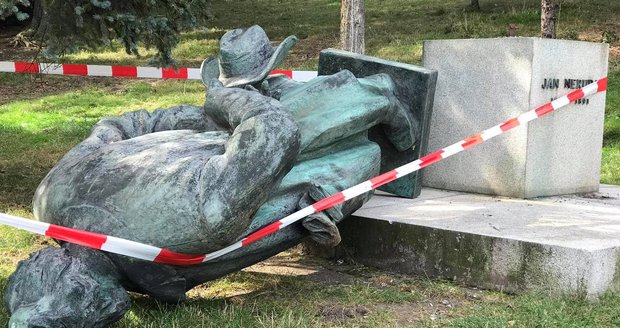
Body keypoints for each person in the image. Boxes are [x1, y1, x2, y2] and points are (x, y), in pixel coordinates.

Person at [6, 25, 418, 327]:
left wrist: (218, 104)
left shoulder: (184, 222)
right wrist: (223, 103)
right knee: (332, 150)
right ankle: (344, 161)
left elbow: (270, 132)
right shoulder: (50, 197)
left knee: (321, 139)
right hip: (248, 160)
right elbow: (118, 127)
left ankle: (363, 132)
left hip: (231, 150)